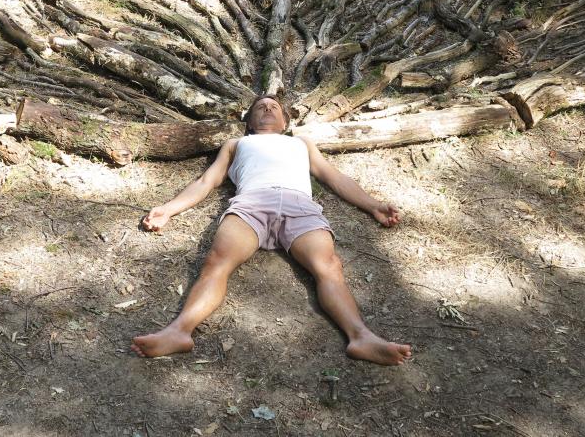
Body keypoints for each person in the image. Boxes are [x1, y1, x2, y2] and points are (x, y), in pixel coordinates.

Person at [131, 94, 412, 366]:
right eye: (260, 107)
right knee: (217, 260)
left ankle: (361, 337)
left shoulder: (301, 143)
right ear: (250, 122)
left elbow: (333, 177)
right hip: (252, 202)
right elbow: (207, 182)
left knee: (328, 266)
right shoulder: (236, 143)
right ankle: (179, 331)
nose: (267, 108)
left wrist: (373, 205)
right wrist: (168, 209)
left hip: (299, 205)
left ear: (285, 121)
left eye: (274, 106)